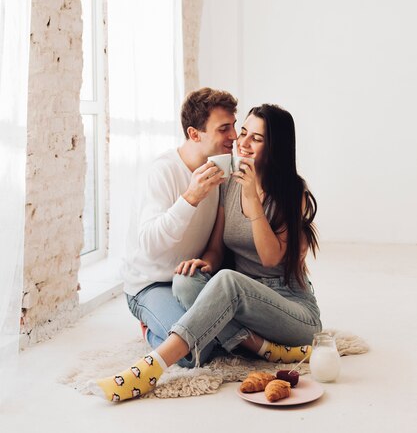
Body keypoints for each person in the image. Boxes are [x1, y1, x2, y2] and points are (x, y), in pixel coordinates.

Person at [93, 104, 322, 402]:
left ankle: (152, 367)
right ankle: (261, 347)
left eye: (257, 138)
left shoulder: (294, 192)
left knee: (227, 282)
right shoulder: (229, 183)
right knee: (186, 280)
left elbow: (270, 259)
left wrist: (253, 200)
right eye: (243, 133)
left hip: (291, 308)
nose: (243, 143)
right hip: (245, 306)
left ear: (276, 145)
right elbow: (217, 247)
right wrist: (205, 263)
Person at [121, 87, 238, 367]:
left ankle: (175, 326)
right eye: (224, 129)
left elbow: (214, 248)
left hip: (188, 282)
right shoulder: (163, 171)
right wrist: (191, 197)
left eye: (234, 126)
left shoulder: (220, 169)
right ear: (194, 134)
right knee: (194, 352)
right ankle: (150, 329)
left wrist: (205, 264)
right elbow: (149, 243)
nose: (234, 136)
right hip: (150, 284)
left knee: (219, 334)